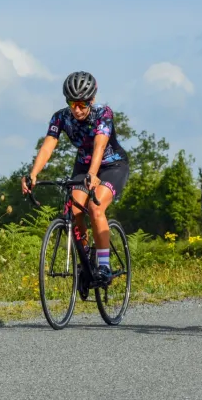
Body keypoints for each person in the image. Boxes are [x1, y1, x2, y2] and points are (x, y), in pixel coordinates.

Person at [21, 71, 130, 285]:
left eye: (81, 104)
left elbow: (100, 145)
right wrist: (33, 174)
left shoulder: (103, 114)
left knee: (95, 208)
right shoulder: (60, 117)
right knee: (73, 210)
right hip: (83, 165)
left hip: (112, 165)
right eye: (72, 103)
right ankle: (86, 255)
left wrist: (92, 174)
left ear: (92, 100)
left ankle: (104, 266)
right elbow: (48, 145)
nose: (77, 110)